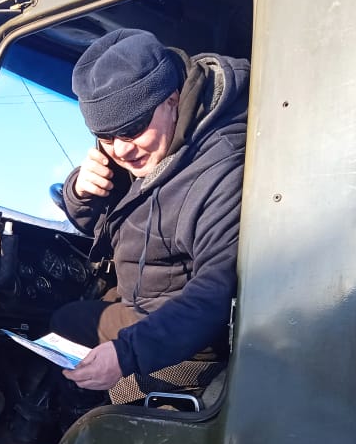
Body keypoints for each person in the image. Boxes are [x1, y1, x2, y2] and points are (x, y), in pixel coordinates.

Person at [52, 27, 249, 396]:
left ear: (172, 99)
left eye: (132, 130)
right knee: (65, 319)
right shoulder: (145, 149)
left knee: (81, 351)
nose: (121, 150)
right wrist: (80, 192)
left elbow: (214, 293)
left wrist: (127, 354)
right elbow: (103, 228)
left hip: (192, 336)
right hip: (141, 300)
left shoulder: (219, 168)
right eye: (106, 137)